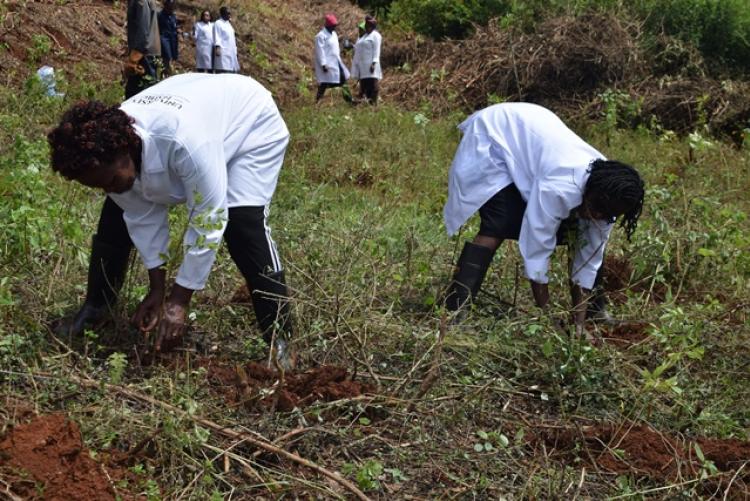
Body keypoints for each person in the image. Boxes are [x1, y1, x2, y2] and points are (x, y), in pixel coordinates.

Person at [48, 73, 294, 368]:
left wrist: (178, 301)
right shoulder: (105, 147)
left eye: (111, 179)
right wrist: (157, 290)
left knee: (243, 224)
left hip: (249, 123)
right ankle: (95, 308)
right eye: (99, 186)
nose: (108, 188)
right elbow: (141, 216)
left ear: (126, 150)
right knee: (115, 214)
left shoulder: (184, 141)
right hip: (198, 103)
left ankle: (280, 338)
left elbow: (208, 218)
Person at [443, 103, 644, 333]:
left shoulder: (611, 195)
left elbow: (590, 256)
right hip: (497, 137)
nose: (598, 216)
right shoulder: (560, 187)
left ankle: (594, 314)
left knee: (583, 234)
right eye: (596, 208)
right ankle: (456, 310)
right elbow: (537, 249)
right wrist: (548, 318)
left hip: (535, 137)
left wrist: (578, 323)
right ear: (589, 192)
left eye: (606, 214)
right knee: (499, 223)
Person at [125, 0, 161, 99]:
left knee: (137, 96)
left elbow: (143, 29)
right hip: (147, 52)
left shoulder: (140, 1)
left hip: (144, 54)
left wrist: (134, 59)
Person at [314, 14, 351, 102]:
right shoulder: (320, 36)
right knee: (324, 83)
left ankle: (349, 100)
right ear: (328, 25)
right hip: (328, 64)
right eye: (333, 26)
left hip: (336, 62)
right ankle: (318, 101)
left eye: (335, 25)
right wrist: (323, 64)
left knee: (342, 79)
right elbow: (320, 51)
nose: (334, 27)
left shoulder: (334, 34)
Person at [351, 15, 382, 104]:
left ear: (372, 27)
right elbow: (358, 47)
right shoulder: (364, 36)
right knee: (364, 85)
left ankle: (373, 104)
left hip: (371, 65)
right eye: (366, 26)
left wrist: (374, 63)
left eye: (368, 26)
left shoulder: (376, 35)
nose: (366, 28)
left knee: (373, 84)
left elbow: (377, 50)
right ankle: (365, 103)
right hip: (363, 67)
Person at [213, 6, 239, 73]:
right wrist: (217, 47)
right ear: (222, 14)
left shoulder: (229, 24)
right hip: (223, 52)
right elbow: (216, 36)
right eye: (228, 13)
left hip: (231, 52)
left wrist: (235, 51)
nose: (229, 15)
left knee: (231, 73)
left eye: (230, 13)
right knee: (223, 72)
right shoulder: (218, 23)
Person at [157, 0, 179, 76]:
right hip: (164, 38)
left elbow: (175, 28)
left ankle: (166, 74)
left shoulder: (173, 16)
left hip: (173, 39)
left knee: (173, 58)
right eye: (170, 5)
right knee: (167, 58)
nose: (171, 7)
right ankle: (169, 74)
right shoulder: (160, 15)